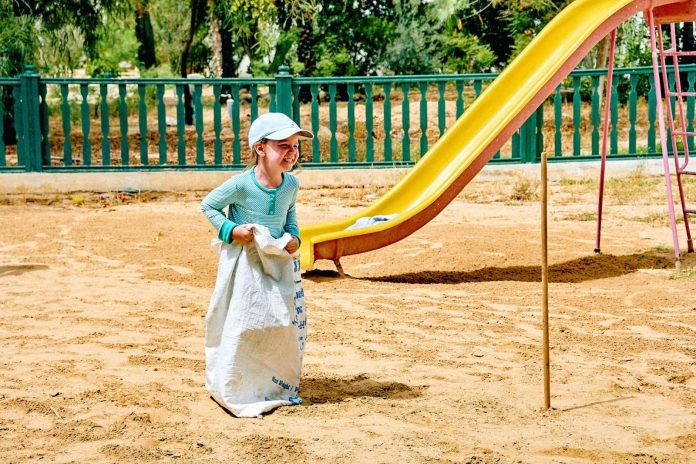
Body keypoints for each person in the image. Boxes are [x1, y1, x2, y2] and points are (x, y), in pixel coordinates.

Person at [200, 112, 313, 417]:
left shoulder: (290, 185)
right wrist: (230, 230)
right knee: (244, 319)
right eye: (283, 146)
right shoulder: (241, 185)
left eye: (295, 146)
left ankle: (269, 380)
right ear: (261, 148)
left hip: (277, 263)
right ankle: (235, 380)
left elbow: (290, 218)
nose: (292, 152)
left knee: (278, 320)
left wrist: (295, 239)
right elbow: (208, 205)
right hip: (245, 264)